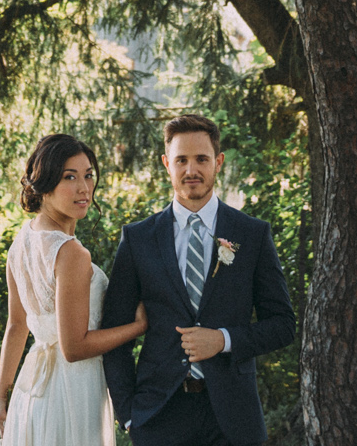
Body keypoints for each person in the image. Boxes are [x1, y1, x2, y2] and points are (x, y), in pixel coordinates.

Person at [101, 115, 296, 446]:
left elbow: (283, 325)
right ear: (167, 164)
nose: (191, 170)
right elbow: (114, 333)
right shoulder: (138, 239)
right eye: (181, 160)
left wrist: (223, 339)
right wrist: (129, 415)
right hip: (158, 416)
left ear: (218, 162)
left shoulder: (252, 234)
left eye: (201, 159)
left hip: (233, 420)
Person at [0, 132, 149, 445]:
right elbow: (74, 347)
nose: (84, 188)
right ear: (44, 185)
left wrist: (2, 396)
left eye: (88, 175)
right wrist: (139, 326)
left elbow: (16, 326)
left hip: (31, 390)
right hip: (71, 391)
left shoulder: (20, 242)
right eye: (69, 177)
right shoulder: (71, 253)